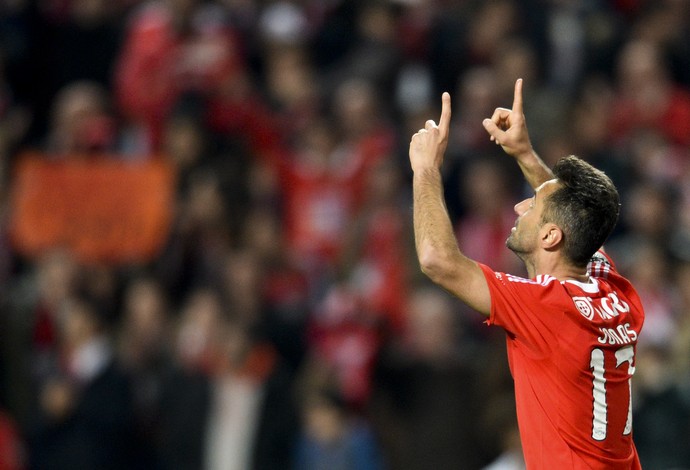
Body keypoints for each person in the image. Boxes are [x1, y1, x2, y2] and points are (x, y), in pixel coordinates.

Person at [408, 78, 644, 469]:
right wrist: (523, 152)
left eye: (532, 205)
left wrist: (425, 170)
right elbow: (577, 221)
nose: (518, 208)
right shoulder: (614, 292)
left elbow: (437, 260)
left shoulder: (545, 307)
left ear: (551, 235)